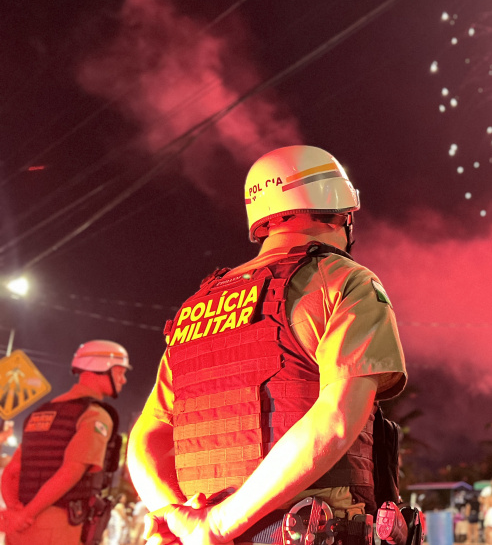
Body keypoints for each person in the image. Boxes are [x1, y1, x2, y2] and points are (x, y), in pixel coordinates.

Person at [126, 145, 408, 545]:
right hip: (303, 530)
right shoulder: (345, 279)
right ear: (340, 210)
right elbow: (337, 420)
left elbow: (147, 434)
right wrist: (218, 524)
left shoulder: (196, 307)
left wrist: (176, 517)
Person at [0, 340, 130, 545]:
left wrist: (16, 512)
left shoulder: (40, 413)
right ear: (101, 368)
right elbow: (71, 471)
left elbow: (11, 471)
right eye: (120, 372)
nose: (123, 380)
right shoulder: (94, 415)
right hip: (59, 528)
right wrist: (27, 515)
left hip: (19, 529)